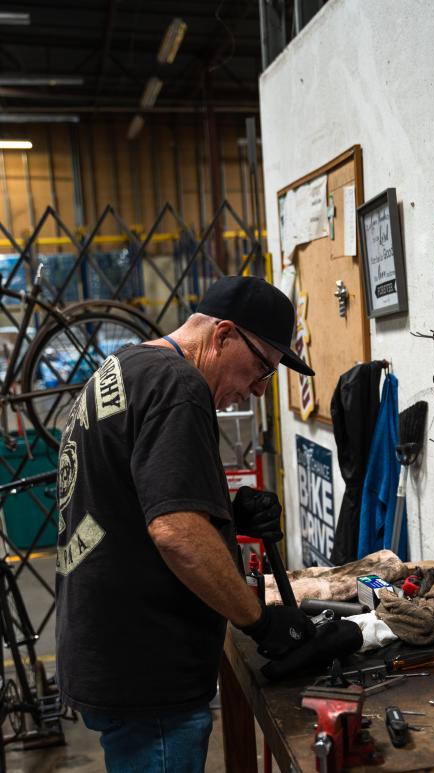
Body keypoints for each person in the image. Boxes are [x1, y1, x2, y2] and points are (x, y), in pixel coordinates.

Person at [55, 275, 316, 772]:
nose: (259, 391)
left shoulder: (126, 367)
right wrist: (259, 622)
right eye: (262, 368)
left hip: (110, 651)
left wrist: (222, 511)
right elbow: (175, 532)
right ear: (222, 335)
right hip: (148, 672)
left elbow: (126, 498)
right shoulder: (180, 385)